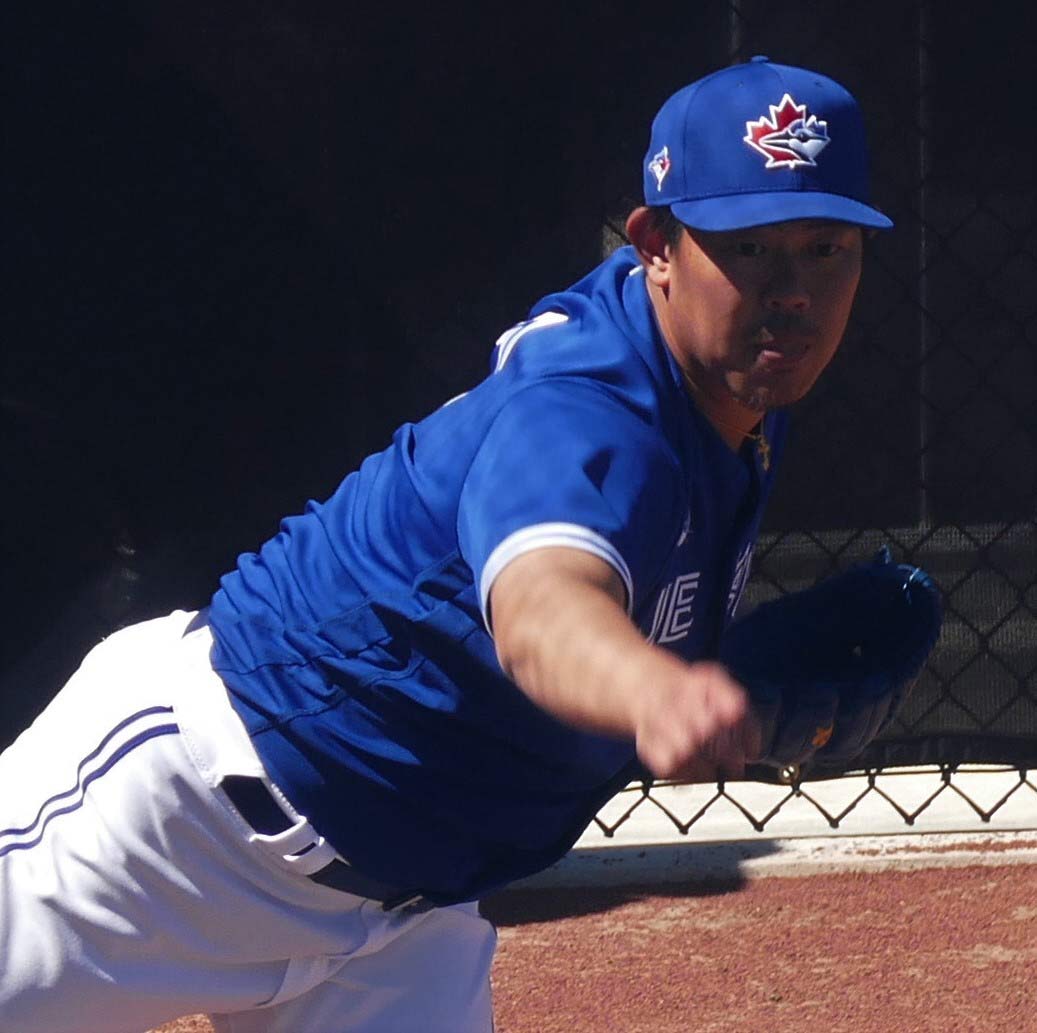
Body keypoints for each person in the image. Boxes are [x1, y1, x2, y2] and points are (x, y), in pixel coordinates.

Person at [0, 56, 892, 1033]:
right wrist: (653, 690)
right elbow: (542, 605)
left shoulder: (737, 384)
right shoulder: (583, 414)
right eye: (751, 248)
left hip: (404, 920)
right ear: (656, 245)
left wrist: (708, 680)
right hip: (177, 829)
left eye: (825, 247)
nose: (794, 291)